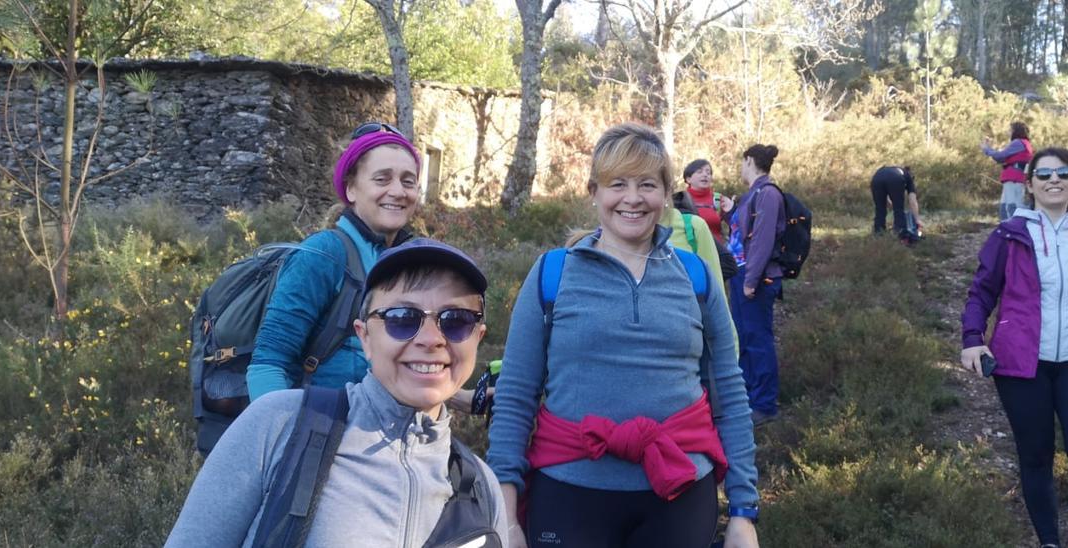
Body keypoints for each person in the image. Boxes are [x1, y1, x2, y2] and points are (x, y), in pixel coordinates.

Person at [486, 123, 760, 548]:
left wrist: (743, 512)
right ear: (594, 191)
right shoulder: (552, 273)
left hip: (679, 496)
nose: (632, 198)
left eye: (647, 184)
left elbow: (728, 390)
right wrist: (506, 513)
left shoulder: (695, 276)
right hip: (567, 493)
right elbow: (517, 394)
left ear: (666, 194)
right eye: (618, 184)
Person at [167, 238, 508, 546]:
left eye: (456, 320)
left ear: (478, 337)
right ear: (364, 337)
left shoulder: (481, 487)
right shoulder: (277, 425)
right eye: (402, 318)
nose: (431, 339)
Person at [961, 147, 1068, 548]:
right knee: (1036, 455)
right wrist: (972, 339)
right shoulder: (1009, 235)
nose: (1053, 180)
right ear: (1031, 185)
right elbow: (981, 292)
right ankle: (1050, 541)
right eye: (1044, 174)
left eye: (1063, 173)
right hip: (1022, 362)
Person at [246, 122, 418, 400]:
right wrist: (282, 436)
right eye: (382, 179)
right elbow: (267, 365)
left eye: (408, 181)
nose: (398, 191)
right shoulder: (324, 254)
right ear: (351, 189)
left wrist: (464, 398)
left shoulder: (405, 262)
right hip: (322, 432)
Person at [727, 144, 786, 425]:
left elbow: (763, 241)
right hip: (741, 274)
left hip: (757, 279)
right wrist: (730, 213)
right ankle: (749, 397)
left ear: (749, 160)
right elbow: (744, 235)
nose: (740, 168)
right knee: (745, 338)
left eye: (742, 162)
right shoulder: (752, 195)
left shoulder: (768, 194)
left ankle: (764, 404)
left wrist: (750, 281)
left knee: (758, 340)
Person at [982, 121, 1034, 221]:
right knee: (1005, 207)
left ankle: (1017, 228)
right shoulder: (1024, 143)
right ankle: (1007, 230)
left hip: (1014, 177)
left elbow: (1000, 156)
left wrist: (987, 149)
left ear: (1015, 131)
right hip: (1014, 177)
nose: (1008, 132)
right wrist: (989, 149)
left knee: (1012, 206)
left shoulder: (1018, 142)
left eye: (1010, 130)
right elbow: (1000, 158)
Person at [673, 159, 734, 242]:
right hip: (689, 251)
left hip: (716, 252)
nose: (705, 175)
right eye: (699, 172)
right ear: (688, 179)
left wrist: (732, 210)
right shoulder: (679, 199)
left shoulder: (719, 199)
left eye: (708, 173)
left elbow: (736, 226)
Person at [870, 165, 923, 240]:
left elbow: (886, 200)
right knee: (899, 210)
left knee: (880, 209)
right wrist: (917, 219)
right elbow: (913, 201)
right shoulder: (908, 177)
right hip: (895, 179)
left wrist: (892, 206)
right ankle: (900, 235)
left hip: (876, 177)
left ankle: (878, 234)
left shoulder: (894, 169)